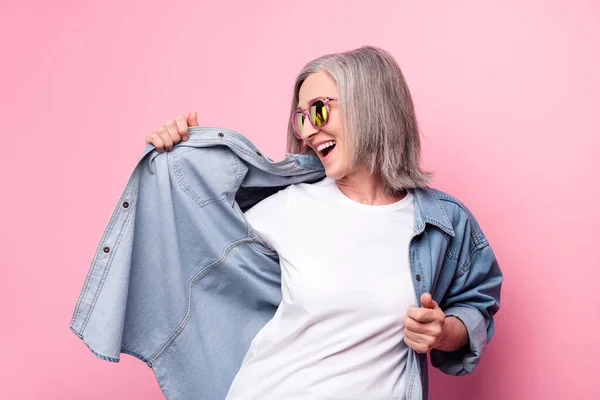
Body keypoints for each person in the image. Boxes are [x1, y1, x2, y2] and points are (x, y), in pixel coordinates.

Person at [145, 46, 502, 399]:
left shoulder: (442, 222)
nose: (308, 132)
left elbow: (475, 305)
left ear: (371, 106)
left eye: (318, 111)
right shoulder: (286, 206)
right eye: (300, 119)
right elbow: (192, 242)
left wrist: (443, 333)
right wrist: (185, 155)